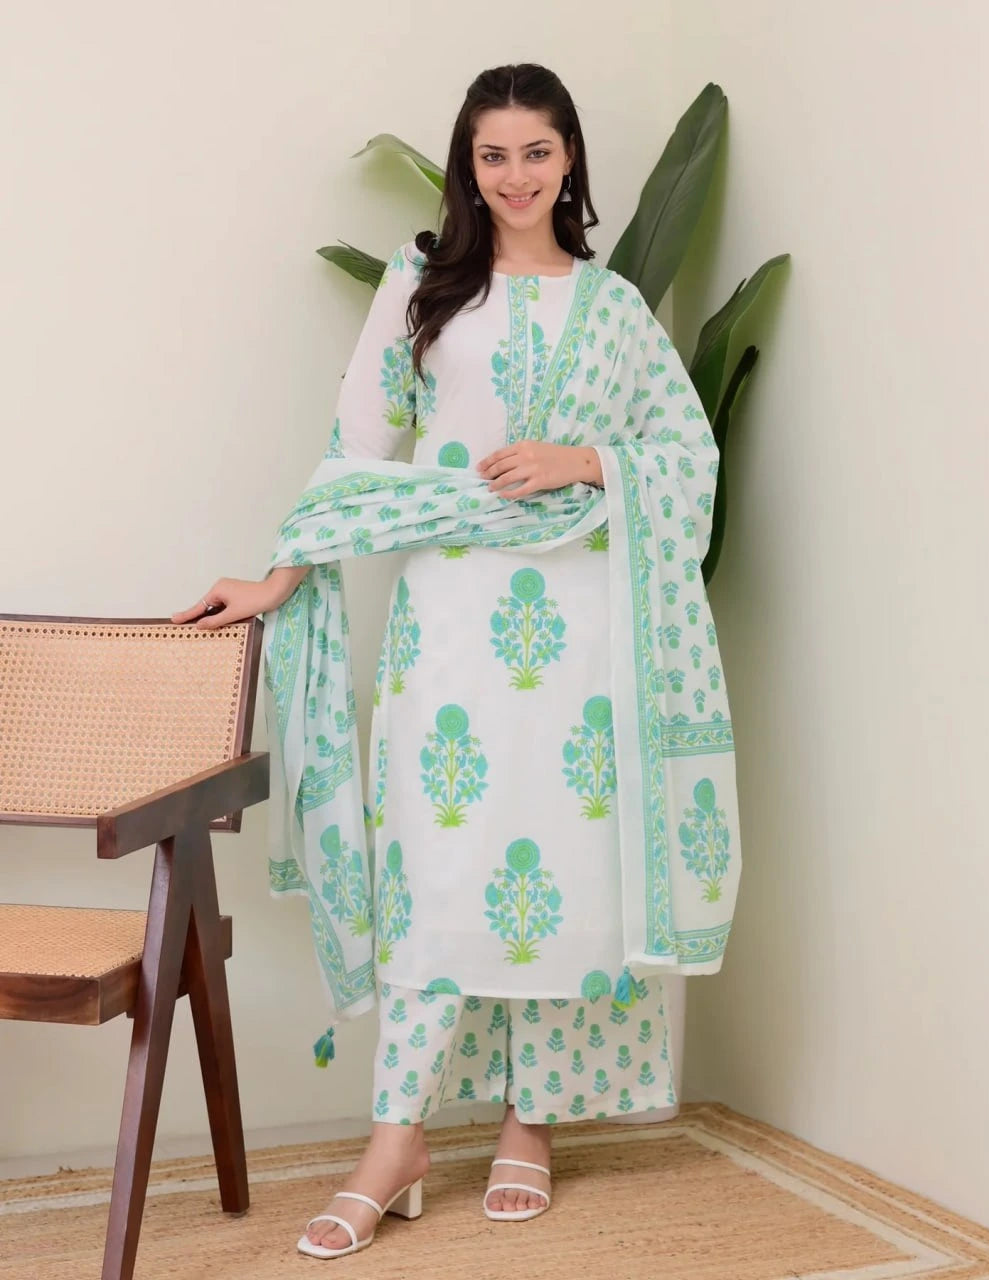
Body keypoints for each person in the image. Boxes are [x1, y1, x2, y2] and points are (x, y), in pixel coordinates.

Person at [173, 62, 741, 1262]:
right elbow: (355, 447)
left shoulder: (614, 309)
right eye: (493, 155)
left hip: (582, 630)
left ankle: (532, 1121)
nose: (516, 175)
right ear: (467, 167)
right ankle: (398, 1140)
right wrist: (277, 577)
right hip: (451, 620)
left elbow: (685, 455)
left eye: (537, 151)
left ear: (569, 158)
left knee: (564, 870)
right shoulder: (425, 285)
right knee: (438, 871)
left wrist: (585, 462)